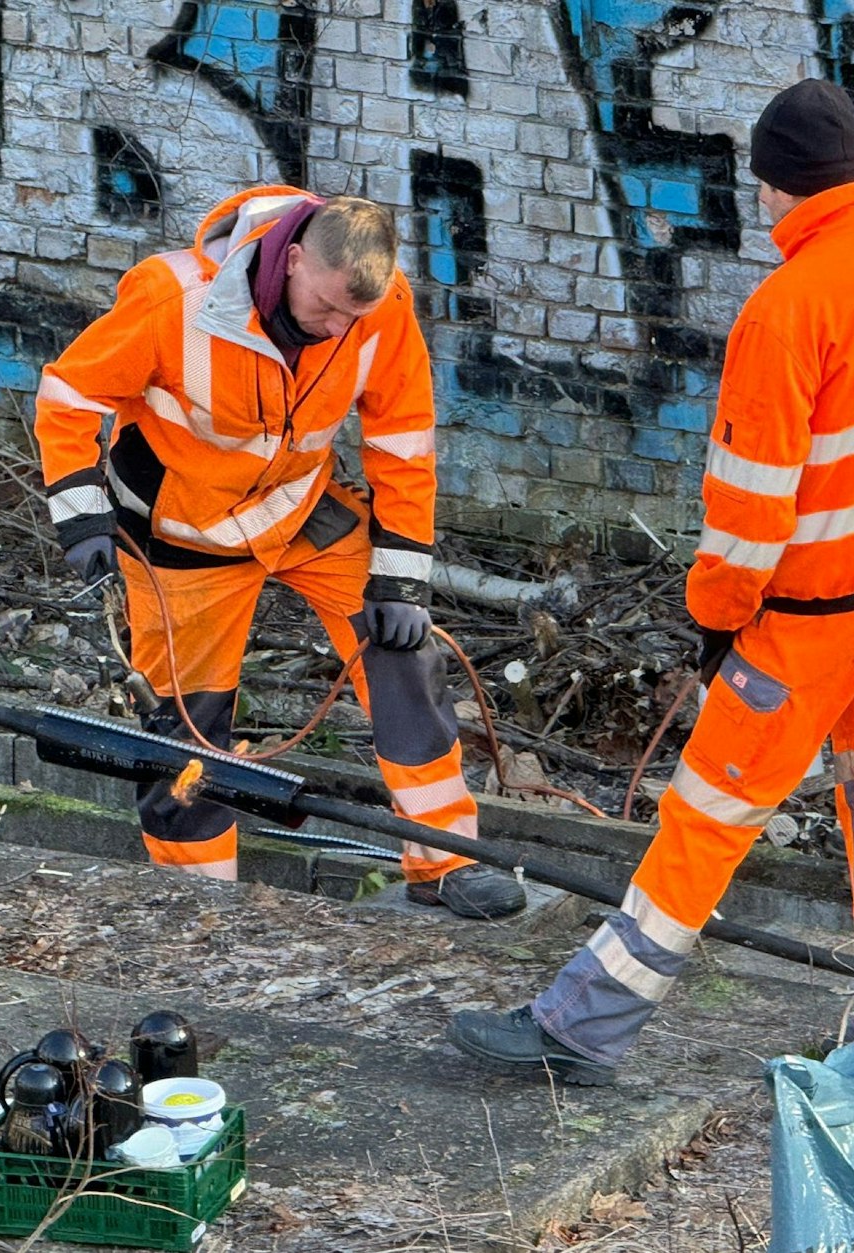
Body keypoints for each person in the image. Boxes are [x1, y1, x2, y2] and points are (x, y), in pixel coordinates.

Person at [445, 79, 854, 1084]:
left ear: (769, 187)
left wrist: (714, 621)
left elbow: (750, 507)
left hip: (805, 627)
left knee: (705, 818)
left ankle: (580, 1027)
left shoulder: (787, 307)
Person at [32, 187, 524, 918]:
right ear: (290, 259)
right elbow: (68, 395)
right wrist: (82, 519)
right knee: (186, 732)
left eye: (351, 318)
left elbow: (403, 438)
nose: (335, 329)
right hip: (182, 534)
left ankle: (445, 862)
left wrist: (402, 581)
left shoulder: (377, 308)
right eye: (325, 309)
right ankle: (201, 908)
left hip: (297, 510)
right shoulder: (176, 300)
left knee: (403, 651)